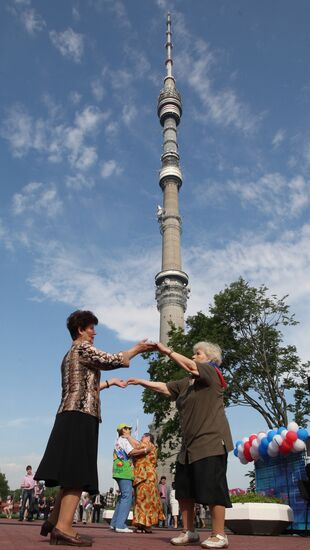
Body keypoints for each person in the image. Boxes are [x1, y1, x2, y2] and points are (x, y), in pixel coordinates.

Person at [34, 309, 155, 547]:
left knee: (70, 470)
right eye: (91, 328)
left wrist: (109, 383)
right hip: (81, 415)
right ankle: (63, 527)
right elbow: (111, 360)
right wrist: (137, 349)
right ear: (80, 329)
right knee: (77, 472)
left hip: (68, 413)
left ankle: (54, 520)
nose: (94, 333)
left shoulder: (69, 355)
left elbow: (85, 386)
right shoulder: (83, 348)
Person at [128, 340, 233, 549]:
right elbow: (166, 388)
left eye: (198, 353)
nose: (194, 356)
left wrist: (166, 350)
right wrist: (140, 381)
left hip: (210, 441)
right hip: (188, 447)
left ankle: (219, 535)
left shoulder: (212, 375)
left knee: (214, 488)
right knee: (184, 491)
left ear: (211, 359)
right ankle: (188, 532)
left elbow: (191, 366)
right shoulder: (188, 383)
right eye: (193, 354)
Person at [110, 424, 153, 533]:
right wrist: (144, 450)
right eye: (127, 428)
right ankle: (120, 525)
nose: (129, 430)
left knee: (122, 497)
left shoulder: (119, 440)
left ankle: (114, 523)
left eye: (130, 428)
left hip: (119, 470)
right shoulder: (124, 440)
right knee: (127, 496)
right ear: (122, 431)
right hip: (125, 471)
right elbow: (132, 452)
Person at [123, 431, 165, 533]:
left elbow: (137, 445)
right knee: (141, 500)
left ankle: (146, 524)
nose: (142, 438)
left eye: (144, 436)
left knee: (146, 501)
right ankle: (141, 524)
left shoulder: (149, 445)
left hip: (146, 477)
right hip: (142, 477)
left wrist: (128, 436)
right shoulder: (146, 447)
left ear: (148, 438)